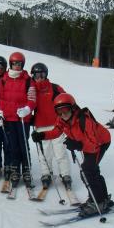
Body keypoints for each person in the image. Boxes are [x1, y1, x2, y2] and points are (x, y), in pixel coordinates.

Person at [31, 93, 112, 216]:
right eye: (59, 111)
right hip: (88, 144)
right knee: (92, 170)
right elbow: (56, 132)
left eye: (65, 110)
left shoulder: (85, 120)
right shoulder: (62, 119)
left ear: (73, 108)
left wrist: (79, 145)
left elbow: (93, 144)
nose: (63, 114)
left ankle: (99, 202)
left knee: (87, 171)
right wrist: (42, 135)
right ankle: (102, 197)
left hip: (100, 143)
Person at [30, 62, 73, 190]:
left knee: (60, 152)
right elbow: (27, 105)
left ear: (46, 74)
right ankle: (46, 174)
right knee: (44, 154)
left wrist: (67, 117)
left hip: (57, 126)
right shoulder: (32, 90)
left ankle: (65, 175)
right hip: (41, 127)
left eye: (41, 75)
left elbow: (65, 101)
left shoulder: (55, 88)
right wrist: (29, 118)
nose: (39, 78)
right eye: (36, 75)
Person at [0, 52, 36, 188]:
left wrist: (27, 109)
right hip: (9, 119)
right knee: (12, 146)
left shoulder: (28, 80)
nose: (17, 66)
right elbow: (2, 99)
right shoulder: (3, 79)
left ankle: (26, 170)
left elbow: (32, 100)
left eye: (19, 63)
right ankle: (15, 170)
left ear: (23, 64)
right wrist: (0, 112)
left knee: (23, 145)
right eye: (14, 63)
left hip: (22, 119)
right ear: (10, 64)